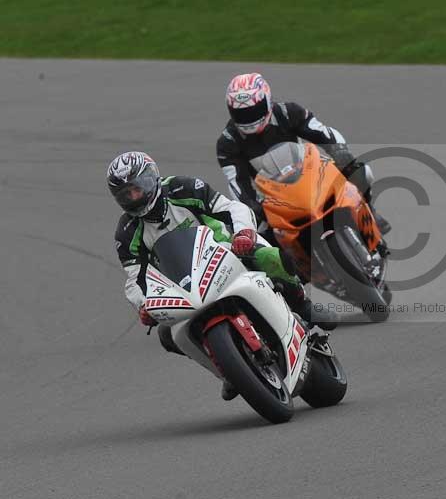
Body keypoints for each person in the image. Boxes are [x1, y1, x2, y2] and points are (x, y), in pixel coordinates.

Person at [108, 151, 334, 401]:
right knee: (167, 335)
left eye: (138, 187)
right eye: (126, 194)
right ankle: (227, 372)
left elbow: (231, 208)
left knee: (270, 258)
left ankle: (303, 305)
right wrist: (144, 305)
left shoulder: (182, 188)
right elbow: (135, 278)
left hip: (225, 250)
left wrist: (244, 233)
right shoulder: (126, 233)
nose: (134, 196)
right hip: (183, 286)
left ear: (153, 177)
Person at [216, 72, 390, 239]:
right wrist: (253, 207)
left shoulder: (287, 112)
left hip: (310, 172)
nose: (248, 119)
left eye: (254, 111)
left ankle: (370, 213)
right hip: (272, 197)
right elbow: (237, 184)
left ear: (267, 101)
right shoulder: (228, 142)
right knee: (257, 238)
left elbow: (323, 133)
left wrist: (340, 152)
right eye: (242, 114)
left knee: (360, 172)